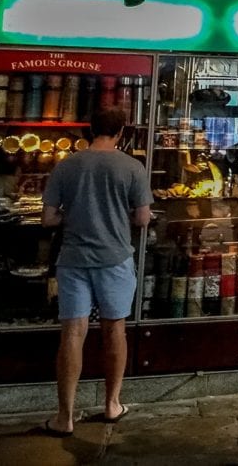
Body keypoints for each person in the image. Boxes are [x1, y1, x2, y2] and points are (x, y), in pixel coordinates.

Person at [41, 107, 153, 435]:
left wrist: (73, 217)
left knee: (73, 334)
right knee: (114, 330)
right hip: (115, 259)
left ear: (90, 129)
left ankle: (65, 417)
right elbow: (143, 218)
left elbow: (48, 218)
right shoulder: (132, 167)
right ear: (121, 133)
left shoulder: (66, 165)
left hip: (73, 260)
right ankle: (111, 404)